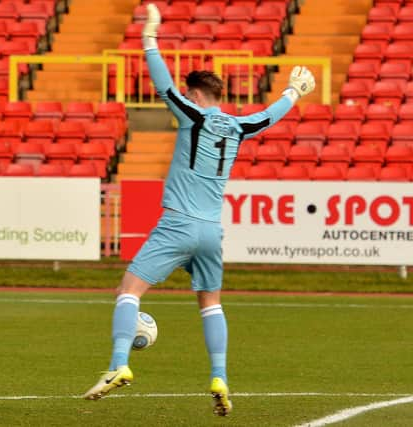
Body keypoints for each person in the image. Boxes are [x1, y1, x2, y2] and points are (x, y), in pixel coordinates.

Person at [83, 3, 315, 417]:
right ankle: (220, 377)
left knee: (128, 291)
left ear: (195, 95)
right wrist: (293, 92)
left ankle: (119, 365)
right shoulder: (239, 125)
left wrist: (149, 39)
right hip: (212, 231)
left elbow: (163, 86)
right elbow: (269, 116)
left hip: (177, 222)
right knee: (211, 303)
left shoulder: (192, 114)